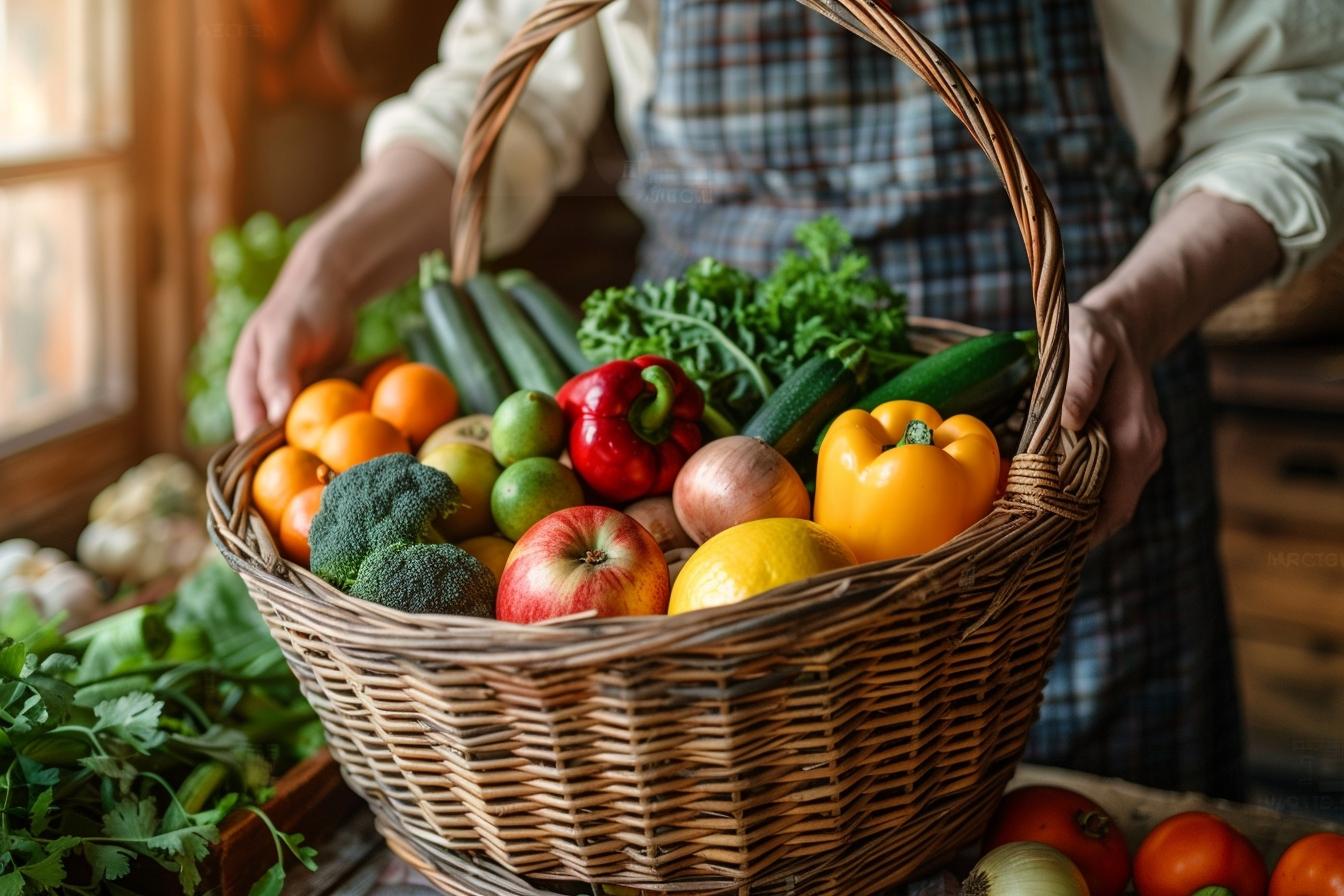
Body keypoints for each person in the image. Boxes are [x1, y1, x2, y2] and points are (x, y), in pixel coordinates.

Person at [228, 0, 1344, 796]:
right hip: (701, 436)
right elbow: (494, 93)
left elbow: (1290, 100)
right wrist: (329, 259)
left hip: (1062, 428)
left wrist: (1137, 312)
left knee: (1088, 831)